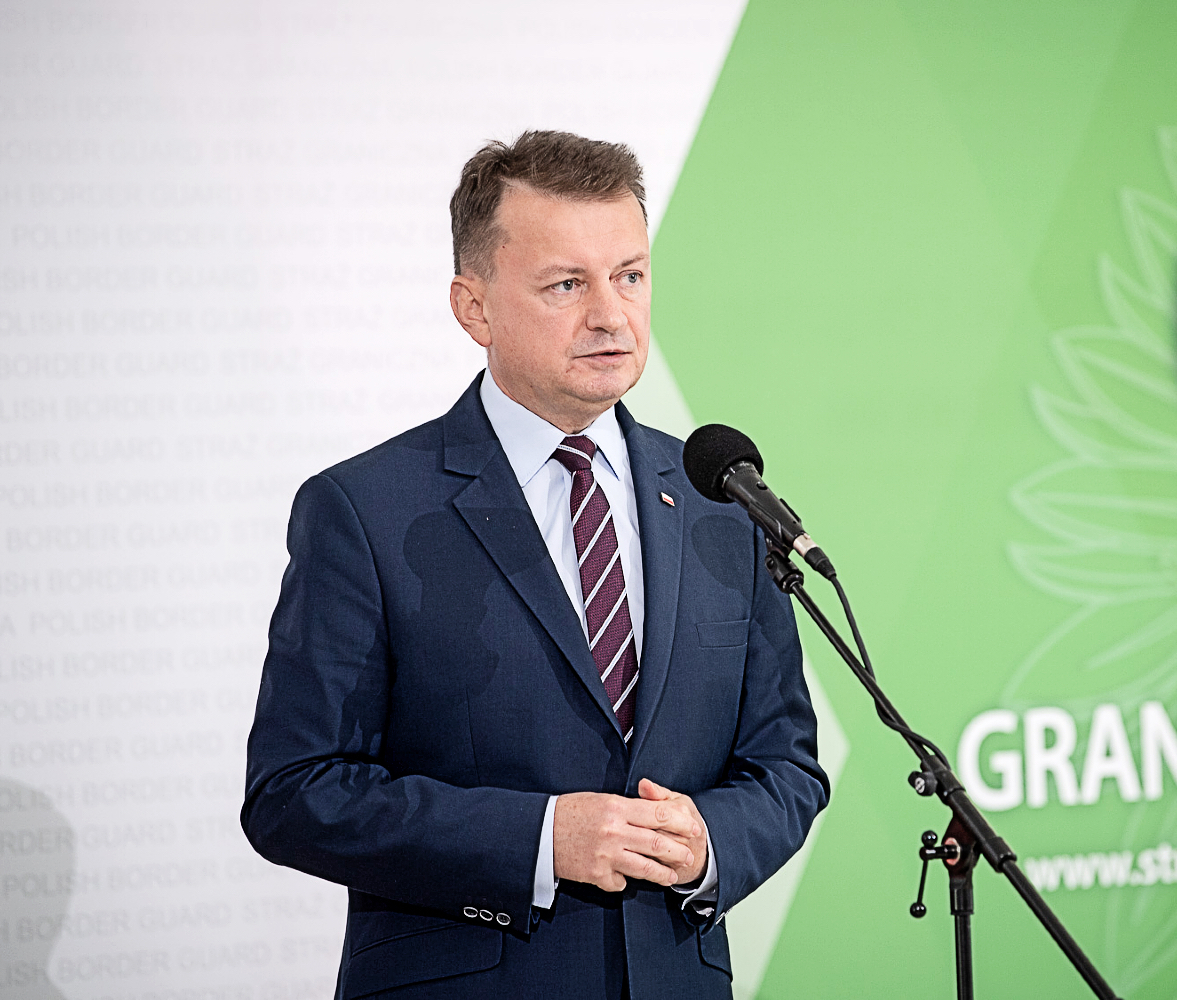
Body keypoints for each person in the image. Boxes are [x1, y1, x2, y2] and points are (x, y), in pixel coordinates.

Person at [242, 131, 828, 999]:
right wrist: (539, 841)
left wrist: (710, 841)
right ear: (473, 307)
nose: (612, 315)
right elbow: (294, 793)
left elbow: (785, 767)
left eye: (630, 275)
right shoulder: (366, 510)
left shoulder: (720, 501)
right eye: (566, 285)